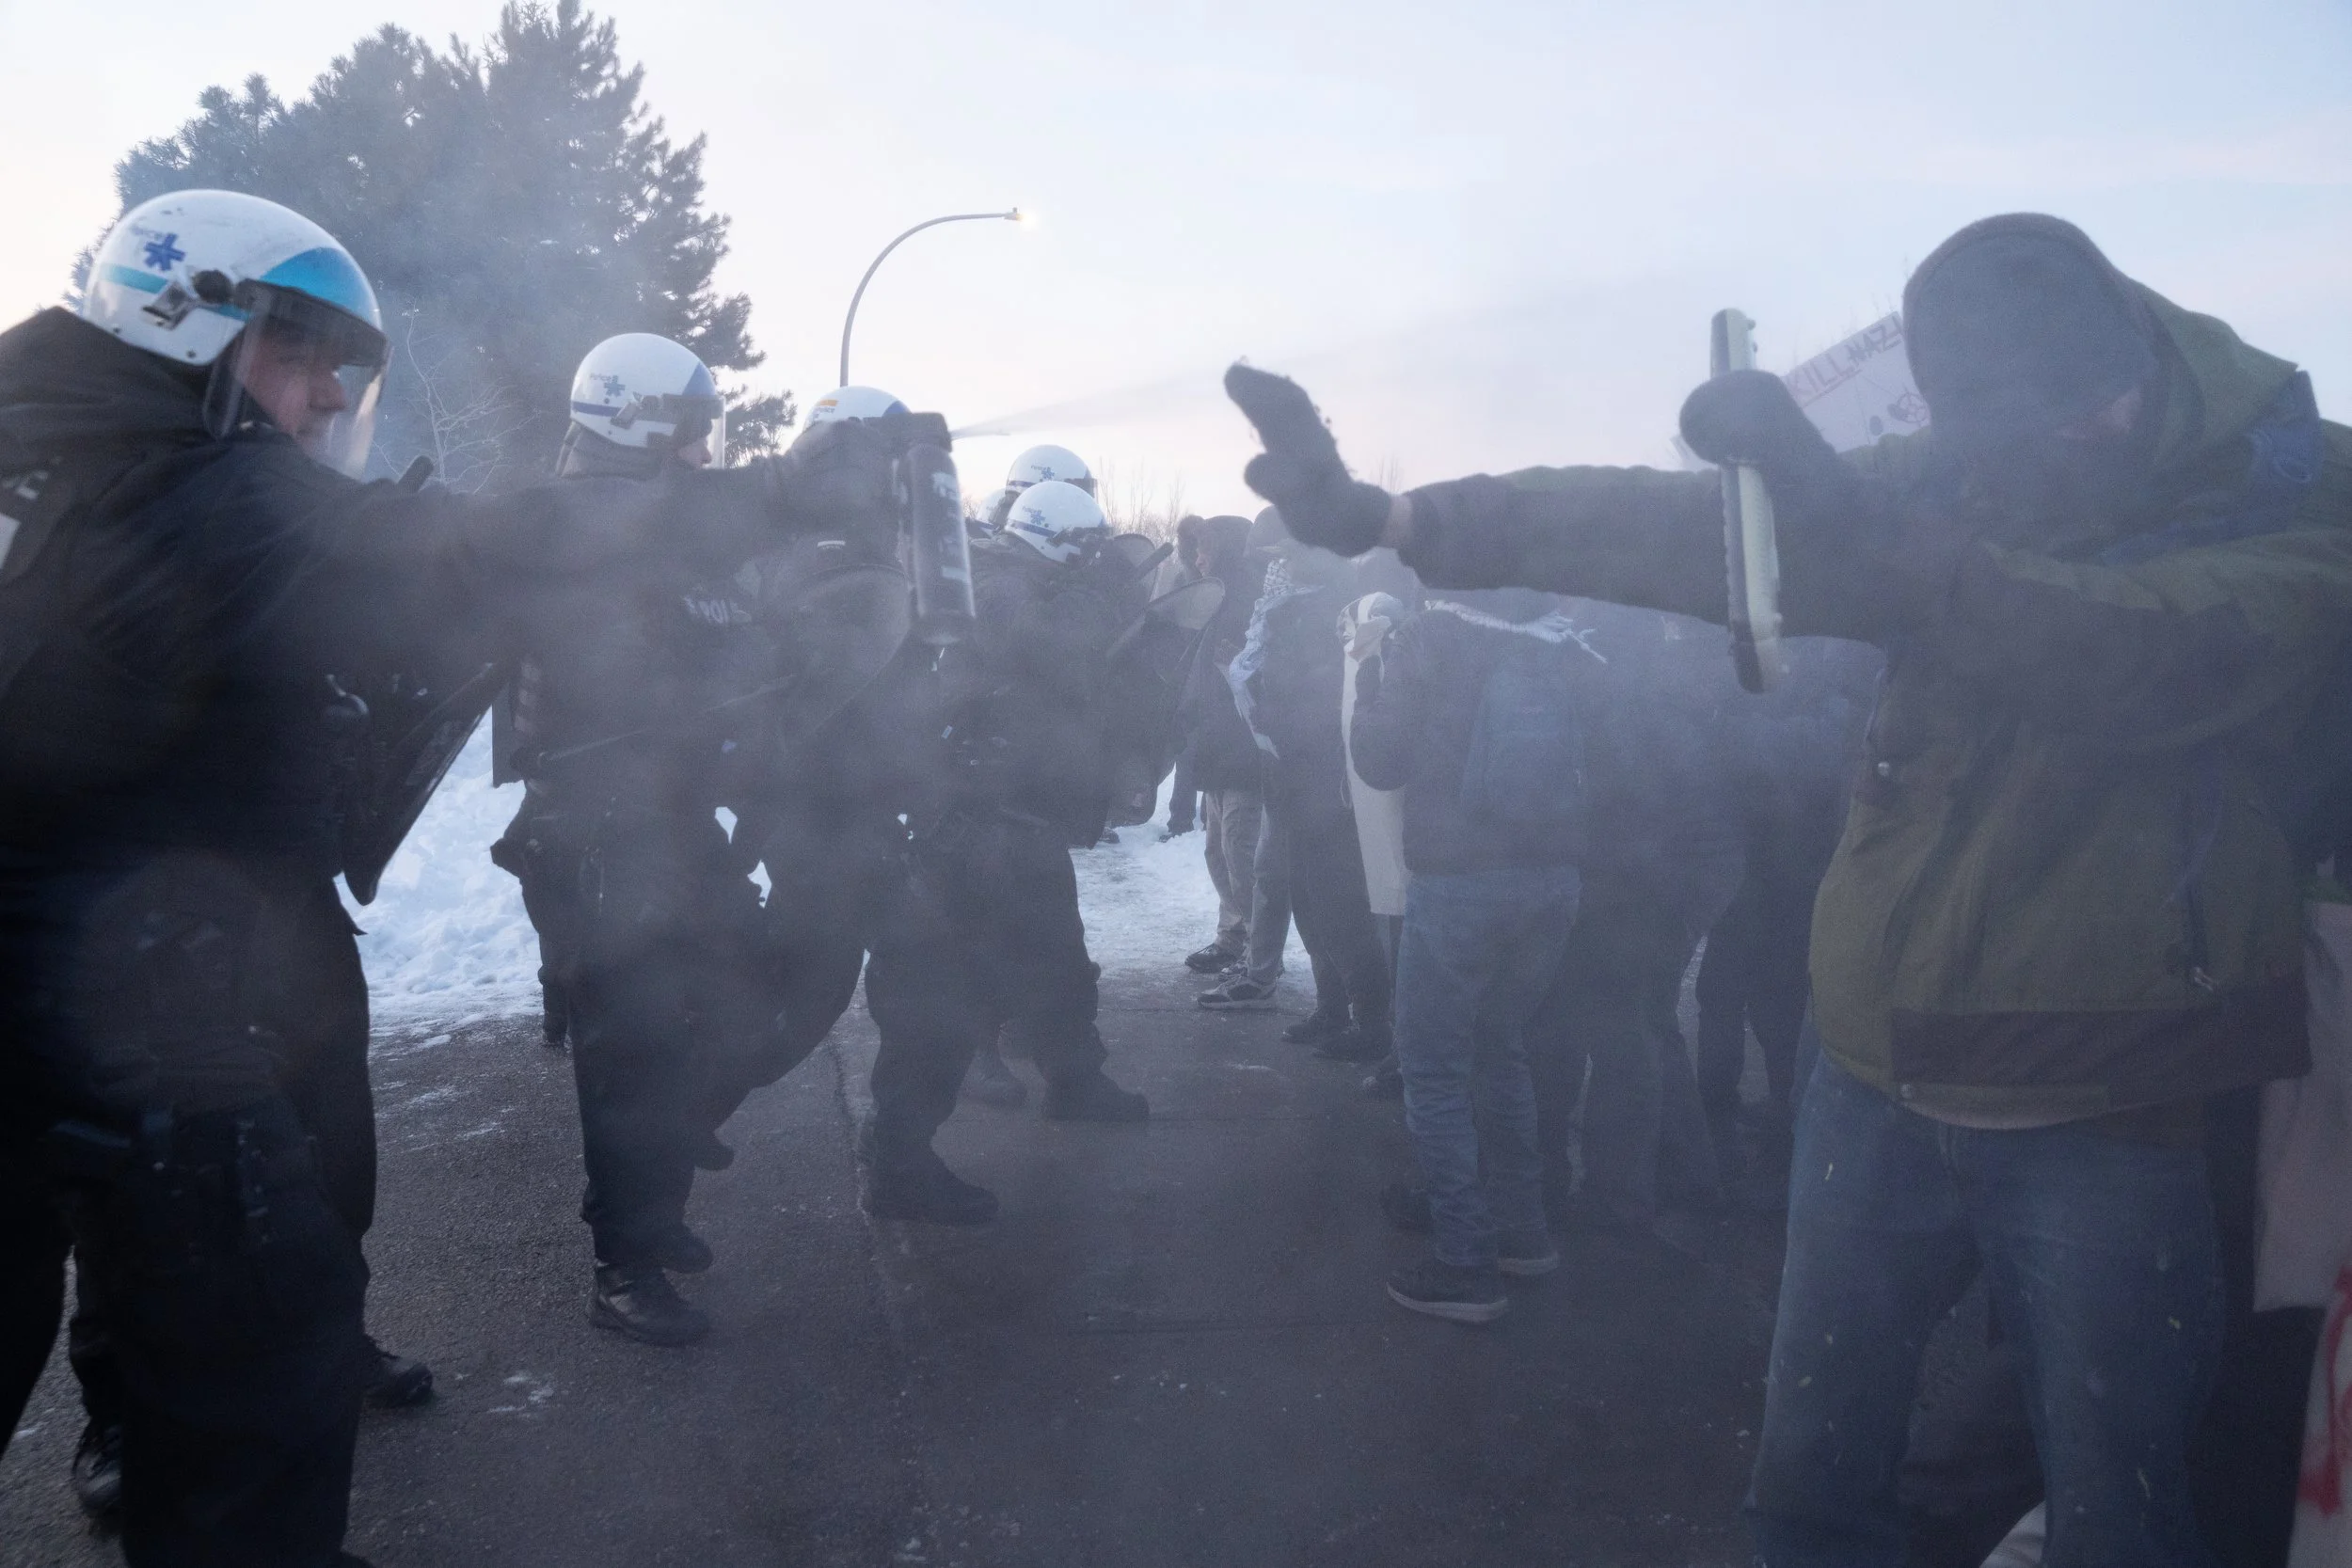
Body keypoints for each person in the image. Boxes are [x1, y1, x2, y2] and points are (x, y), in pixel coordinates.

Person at [1228, 212, 2352, 1566]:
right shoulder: (1974, 470)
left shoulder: (2299, 488)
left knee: (2124, 1515)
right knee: (1811, 1494)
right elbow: (1693, 528)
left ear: (2135, 360)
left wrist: (1851, 531)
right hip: (1870, 1072)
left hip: (2118, 1103)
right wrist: (1406, 519)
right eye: (1995, 434)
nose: (2058, 450)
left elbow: (2126, 654)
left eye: (2086, 409)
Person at [0, 188, 893, 1567]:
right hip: (124, 982)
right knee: (260, 1346)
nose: (318, 400)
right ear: (185, 322)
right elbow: (470, 554)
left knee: (272, 1274)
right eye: (297, 359)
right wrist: (774, 495)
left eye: (338, 375)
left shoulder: (54, 446)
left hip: (138, 947)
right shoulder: (192, 477)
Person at [493, 330, 776, 1349]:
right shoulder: (581, 527)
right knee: (632, 1052)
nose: (706, 452)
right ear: (642, 426)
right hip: (602, 835)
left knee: (733, 1006)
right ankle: (625, 1261)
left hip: (671, 823)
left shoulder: (665, 538)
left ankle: (651, 1209)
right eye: (693, 432)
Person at [857, 478, 1152, 1220]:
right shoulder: (993, 580)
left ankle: (1075, 1078)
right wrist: (1110, 587)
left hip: (1021, 821)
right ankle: (896, 1157)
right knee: (941, 994)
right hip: (971, 825)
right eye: (1087, 551)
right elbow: (1053, 641)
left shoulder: (1018, 578)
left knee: (1058, 963)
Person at [1350, 586, 1587, 1323]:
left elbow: (1381, 761)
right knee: (1500, 1048)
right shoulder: (1562, 633)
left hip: (1459, 883)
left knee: (1433, 1068)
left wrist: (1368, 679)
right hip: (1552, 877)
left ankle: (1466, 1260)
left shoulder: (1429, 637)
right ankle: (1523, 1232)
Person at [1220, 514, 1392, 1061]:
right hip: (1292, 772)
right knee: (1307, 897)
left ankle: (1370, 1020)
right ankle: (1333, 1007)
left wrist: (1267, 712)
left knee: (1336, 902)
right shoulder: (1293, 608)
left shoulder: (1329, 611)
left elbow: (1321, 697)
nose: (1278, 566)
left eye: (1287, 555)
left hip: (1323, 778)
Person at [1172, 514, 1266, 974]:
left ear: (1226, 549)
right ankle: (1233, 936)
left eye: (1205, 547)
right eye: (1193, 549)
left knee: (1239, 847)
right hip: (1213, 742)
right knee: (1216, 849)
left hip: (1246, 748)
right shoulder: (1208, 602)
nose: (1197, 557)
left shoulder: (1249, 602)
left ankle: (1259, 949)